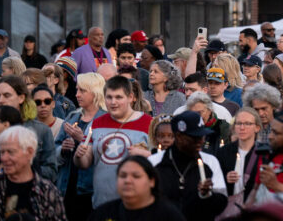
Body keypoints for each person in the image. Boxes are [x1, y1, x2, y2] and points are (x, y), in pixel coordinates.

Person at [74, 75, 153, 208]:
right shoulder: (96, 123)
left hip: (137, 206)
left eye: (118, 97)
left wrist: (145, 156)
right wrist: (79, 155)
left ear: (131, 97)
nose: (113, 102)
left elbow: (163, 160)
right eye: (109, 97)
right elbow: (85, 163)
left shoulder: (149, 124)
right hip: (102, 204)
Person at [148, 111, 228, 220]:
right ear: (179, 137)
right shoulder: (154, 162)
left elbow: (222, 203)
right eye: (194, 137)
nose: (200, 141)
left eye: (202, 136)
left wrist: (207, 195)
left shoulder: (210, 161)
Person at [55, 71, 106, 220]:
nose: (77, 94)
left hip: (91, 188)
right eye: (77, 90)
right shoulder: (73, 116)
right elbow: (56, 148)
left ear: (95, 92)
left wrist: (82, 139)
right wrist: (63, 149)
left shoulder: (105, 119)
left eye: (82, 90)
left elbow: (107, 153)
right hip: (67, 184)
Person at [0, 126, 66, 220]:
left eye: (11, 152)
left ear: (29, 152)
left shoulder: (47, 191)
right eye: (2, 152)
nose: (3, 158)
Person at [0, 76, 57, 182]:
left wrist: (20, 170)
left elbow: (51, 172)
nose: (1, 100)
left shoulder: (40, 130)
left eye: (6, 95)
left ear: (21, 98)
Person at [89, 155, 186, 221]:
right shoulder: (103, 213)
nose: (127, 181)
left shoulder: (168, 215)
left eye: (136, 176)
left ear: (151, 181)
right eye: (123, 176)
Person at [216, 107, 261, 205]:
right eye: (239, 123)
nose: (242, 128)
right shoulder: (223, 152)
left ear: (257, 128)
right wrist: (225, 178)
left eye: (247, 124)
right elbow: (215, 182)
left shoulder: (263, 153)